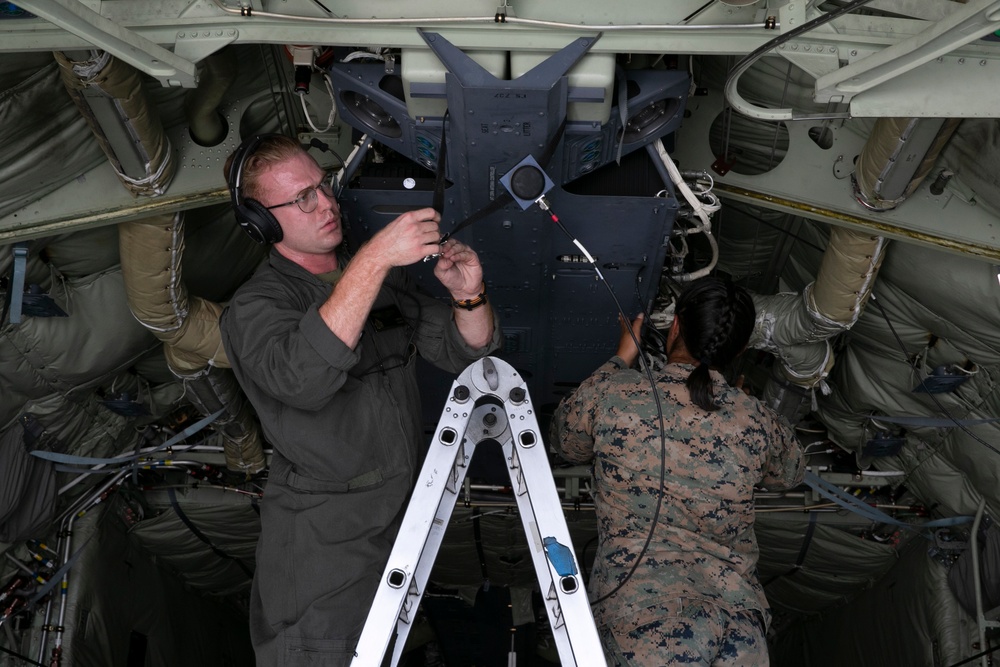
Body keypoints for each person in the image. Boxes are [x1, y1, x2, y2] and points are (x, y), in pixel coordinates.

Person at [218, 133, 501, 666]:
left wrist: (470, 295)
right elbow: (304, 379)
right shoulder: (257, 307)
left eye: (322, 186)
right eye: (301, 198)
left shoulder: (376, 286)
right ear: (261, 220)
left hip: (398, 524)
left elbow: (471, 351)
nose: (325, 203)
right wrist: (373, 259)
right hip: (325, 543)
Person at [549, 276, 804, 666]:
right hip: (738, 622)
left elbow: (565, 442)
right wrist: (742, 407)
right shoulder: (758, 421)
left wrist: (619, 360)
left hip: (649, 619)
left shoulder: (614, 394)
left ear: (677, 326)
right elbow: (791, 473)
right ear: (740, 348)